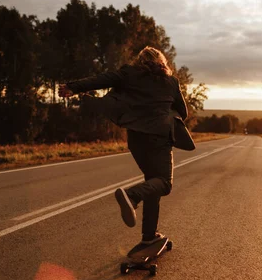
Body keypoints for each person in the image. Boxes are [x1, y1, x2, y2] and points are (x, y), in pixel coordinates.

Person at [59, 46, 188, 246]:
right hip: (159, 140)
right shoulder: (170, 82)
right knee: (164, 183)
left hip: (136, 140)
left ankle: (149, 236)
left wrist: (72, 87)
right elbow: (183, 112)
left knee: (151, 184)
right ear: (162, 62)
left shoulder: (129, 74)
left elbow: (102, 79)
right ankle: (131, 196)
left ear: (140, 61)